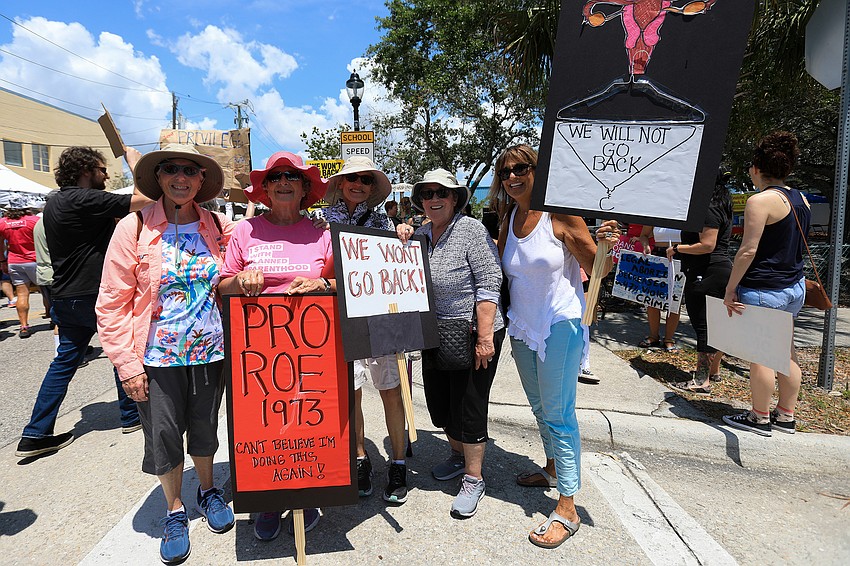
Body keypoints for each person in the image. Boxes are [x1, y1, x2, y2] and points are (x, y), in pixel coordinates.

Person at [97, 144, 235, 564]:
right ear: (158, 177)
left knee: (205, 427)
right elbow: (111, 301)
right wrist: (126, 363)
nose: (181, 177)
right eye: (171, 169)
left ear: (200, 179)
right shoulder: (133, 227)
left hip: (210, 351)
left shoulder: (216, 224)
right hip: (156, 357)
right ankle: (175, 509)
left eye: (189, 171)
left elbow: (256, 253)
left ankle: (208, 490)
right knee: (163, 436)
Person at [489, 144, 617, 548]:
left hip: (560, 323)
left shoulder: (559, 213)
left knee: (560, 414)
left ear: (537, 171)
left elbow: (600, 267)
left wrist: (605, 243)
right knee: (540, 406)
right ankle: (551, 467)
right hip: (522, 325)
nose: (513, 176)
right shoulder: (508, 217)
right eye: (506, 170)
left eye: (521, 168)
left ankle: (568, 507)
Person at [219, 151, 333, 541]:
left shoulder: (322, 233)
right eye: (275, 177)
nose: (284, 182)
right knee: (264, 421)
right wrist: (240, 281)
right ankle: (267, 497)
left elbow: (345, 284)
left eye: (292, 176)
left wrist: (322, 284)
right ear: (265, 189)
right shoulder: (244, 232)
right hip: (257, 351)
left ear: (304, 188)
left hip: (312, 347)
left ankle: (304, 492)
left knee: (306, 419)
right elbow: (222, 284)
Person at [15, 146, 150, 459]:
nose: (105, 176)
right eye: (102, 170)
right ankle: (131, 416)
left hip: (64, 296)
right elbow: (143, 200)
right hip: (92, 293)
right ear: (87, 170)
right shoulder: (83, 198)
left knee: (64, 363)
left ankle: (36, 432)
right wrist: (134, 165)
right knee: (123, 349)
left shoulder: (55, 202)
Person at [399, 168, 505, 519]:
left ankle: (474, 478)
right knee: (440, 404)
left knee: (469, 404)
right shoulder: (421, 234)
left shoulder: (471, 230)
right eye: (427, 193)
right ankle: (458, 457)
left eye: (441, 193)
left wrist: (485, 337)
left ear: (455, 198)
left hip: (475, 330)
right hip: (435, 332)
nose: (433, 199)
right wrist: (400, 233)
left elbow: (490, 280)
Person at [324, 157, 410, 504]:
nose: (358, 184)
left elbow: (397, 264)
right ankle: (359, 457)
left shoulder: (383, 221)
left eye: (366, 180)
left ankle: (399, 462)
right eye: (352, 178)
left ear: (372, 188)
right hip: (342, 318)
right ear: (342, 182)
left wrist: (403, 234)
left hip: (379, 318)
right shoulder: (321, 221)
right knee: (352, 392)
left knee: (390, 388)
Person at [722, 131, 809, 437]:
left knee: (761, 356)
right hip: (793, 287)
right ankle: (786, 415)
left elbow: (747, 250)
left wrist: (731, 287)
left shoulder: (760, 202)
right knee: (786, 352)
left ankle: (759, 417)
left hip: (764, 288)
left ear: (757, 168)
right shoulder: (801, 199)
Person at [667, 170, 733, 394]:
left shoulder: (708, 209)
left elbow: (707, 244)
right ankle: (712, 372)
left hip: (707, 272)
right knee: (713, 326)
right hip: (715, 271)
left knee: (704, 326)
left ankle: (701, 380)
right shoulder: (721, 205)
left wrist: (677, 249)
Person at [0, 198, 39, 337]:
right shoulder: (34, 220)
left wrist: (2, 261)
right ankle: (54, 320)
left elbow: (1, 245)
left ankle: (23, 326)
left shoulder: (3, 222)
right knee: (47, 291)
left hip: (14, 261)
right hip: (35, 260)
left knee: (22, 293)